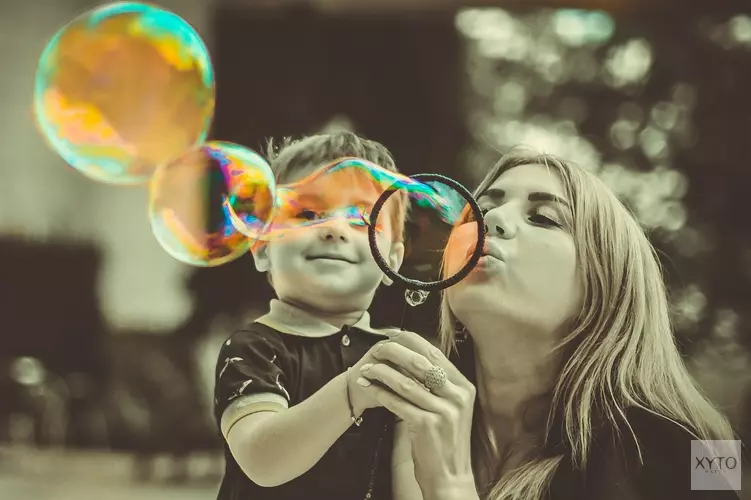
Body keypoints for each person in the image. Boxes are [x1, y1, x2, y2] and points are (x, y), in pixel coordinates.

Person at [355, 150, 741, 499]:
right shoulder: (383, 413)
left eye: (542, 218)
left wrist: (450, 487)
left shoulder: (696, 451)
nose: (492, 220)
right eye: (479, 211)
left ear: (604, 283)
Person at [212, 131, 409, 500]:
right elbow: (262, 460)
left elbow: (408, 484)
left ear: (392, 262)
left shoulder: (395, 357)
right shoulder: (253, 349)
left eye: (362, 217)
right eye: (307, 213)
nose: (334, 229)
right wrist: (353, 390)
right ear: (262, 248)